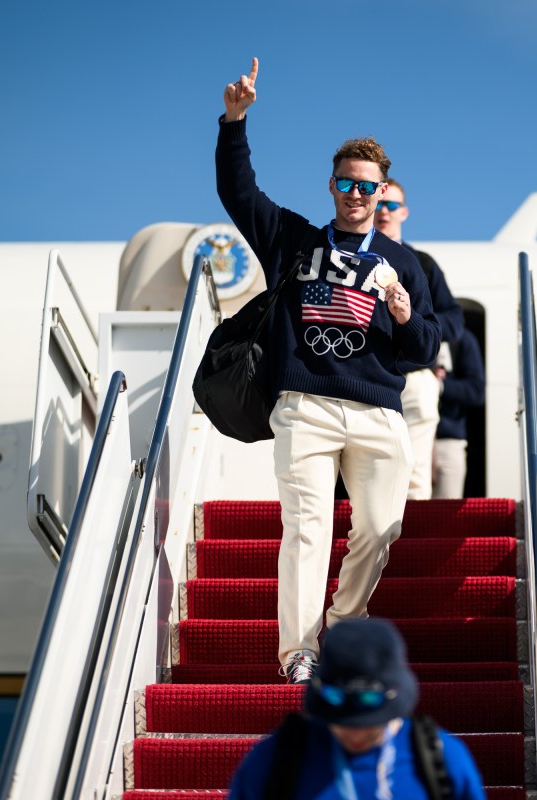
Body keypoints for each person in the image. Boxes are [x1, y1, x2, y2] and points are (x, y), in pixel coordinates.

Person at [216, 58, 441, 684]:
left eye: (368, 187)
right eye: (346, 183)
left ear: (382, 193)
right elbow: (240, 194)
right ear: (332, 186)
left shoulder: (405, 262)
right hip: (305, 405)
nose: (356, 195)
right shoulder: (293, 240)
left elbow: (424, 348)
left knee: (378, 528)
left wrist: (401, 312)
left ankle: (344, 622)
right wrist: (234, 124)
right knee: (307, 528)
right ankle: (299, 651)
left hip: (377, 409)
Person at [228, 618, 487, 800]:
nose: (356, 733)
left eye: (370, 722)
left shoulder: (442, 760)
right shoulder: (276, 761)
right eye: (342, 721)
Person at [374, 179, 464, 501]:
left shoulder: (422, 264)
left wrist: (415, 325)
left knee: (414, 475)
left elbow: (454, 319)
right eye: (380, 203)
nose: (385, 211)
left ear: (404, 212)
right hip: (361, 378)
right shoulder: (347, 259)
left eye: (392, 205)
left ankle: (411, 551)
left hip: (413, 381)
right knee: (369, 474)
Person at [432, 328, 486, 499]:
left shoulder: (463, 339)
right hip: (411, 437)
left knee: (445, 517)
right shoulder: (403, 330)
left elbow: (476, 392)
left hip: (448, 440)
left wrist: (440, 386)